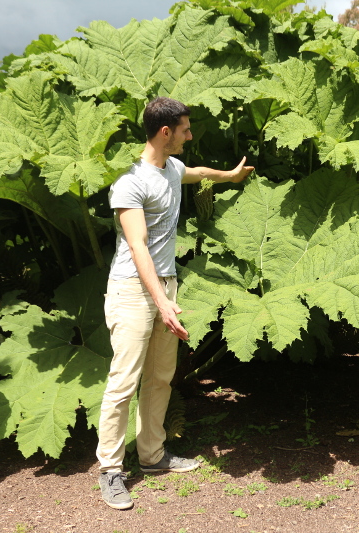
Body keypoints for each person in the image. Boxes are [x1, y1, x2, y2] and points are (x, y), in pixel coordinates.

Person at [97, 97, 254, 510]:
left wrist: (231, 176)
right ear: (165, 132)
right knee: (123, 382)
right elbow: (138, 246)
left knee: (161, 377)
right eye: (185, 128)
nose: (190, 134)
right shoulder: (130, 183)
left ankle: (151, 456)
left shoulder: (172, 167)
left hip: (165, 285)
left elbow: (198, 172)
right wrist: (162, 304)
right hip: (133, 288)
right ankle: (111, 470)